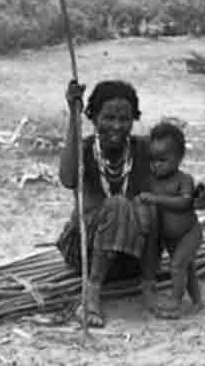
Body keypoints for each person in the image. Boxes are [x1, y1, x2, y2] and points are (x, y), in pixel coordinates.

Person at [58, 78, 154, 326]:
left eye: (125, 119)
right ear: (94, 117)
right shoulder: (85, 150)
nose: (117, 126)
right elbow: (68, 179)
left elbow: (172, 187)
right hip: (84, 253)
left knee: (147, 208)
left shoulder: (144, 150)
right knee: (118, 205)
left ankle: (150, 284)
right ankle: (91, 293)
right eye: (108, 118)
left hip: (129, 256)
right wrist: (73, 115)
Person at [134, 120, 205, 319]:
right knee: (188, 268)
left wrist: (155, 199)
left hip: (188, 233)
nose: (156, 165)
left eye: (163, 160)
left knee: (177, 265)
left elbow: (184, 203)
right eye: (152, 160)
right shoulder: (151, 181)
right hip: (170, 238)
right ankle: (197, 302)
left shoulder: (183, 180)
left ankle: (175, 303)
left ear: (179, 158)